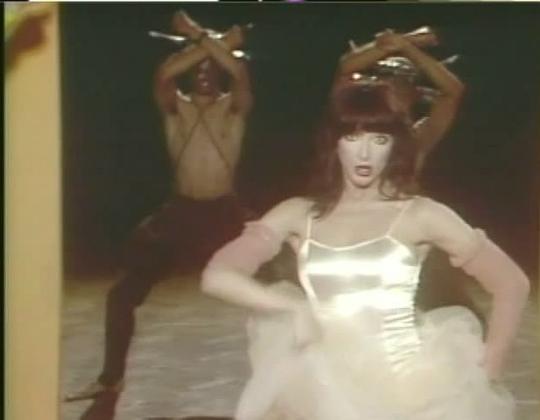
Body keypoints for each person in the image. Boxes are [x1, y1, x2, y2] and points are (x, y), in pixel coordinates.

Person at [201, 83, 529, 420]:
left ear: (395, 146)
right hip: (318, 385)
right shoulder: (299, 214)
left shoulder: (421, 215)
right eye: (353, 137)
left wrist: (489, 371)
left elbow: (512, 284)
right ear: (334, 142)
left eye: (379, 140)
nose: (365, 154)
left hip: (407, 387)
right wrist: (292, 306)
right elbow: (217, 276)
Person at [66, 12, 253, 402]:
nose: (204, 73)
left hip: (225, 214)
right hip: (181, 213)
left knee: (287, 279)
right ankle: (110, 379)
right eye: (198, 66)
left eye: (211, 66)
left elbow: (238, 72)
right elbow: (166, 73)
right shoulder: (175, 108)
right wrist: (211, 42)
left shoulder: (234, 108)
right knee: (122, 296)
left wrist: (198, 37)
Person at [337, 27, 464, 173]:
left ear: (413, 94)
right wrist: (397, 43)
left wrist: (406, 46)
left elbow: (453, 91)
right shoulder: (346, 121)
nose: (390, 86)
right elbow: (343, 70)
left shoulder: (415, 139)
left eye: (401, 81)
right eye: (384, 77)